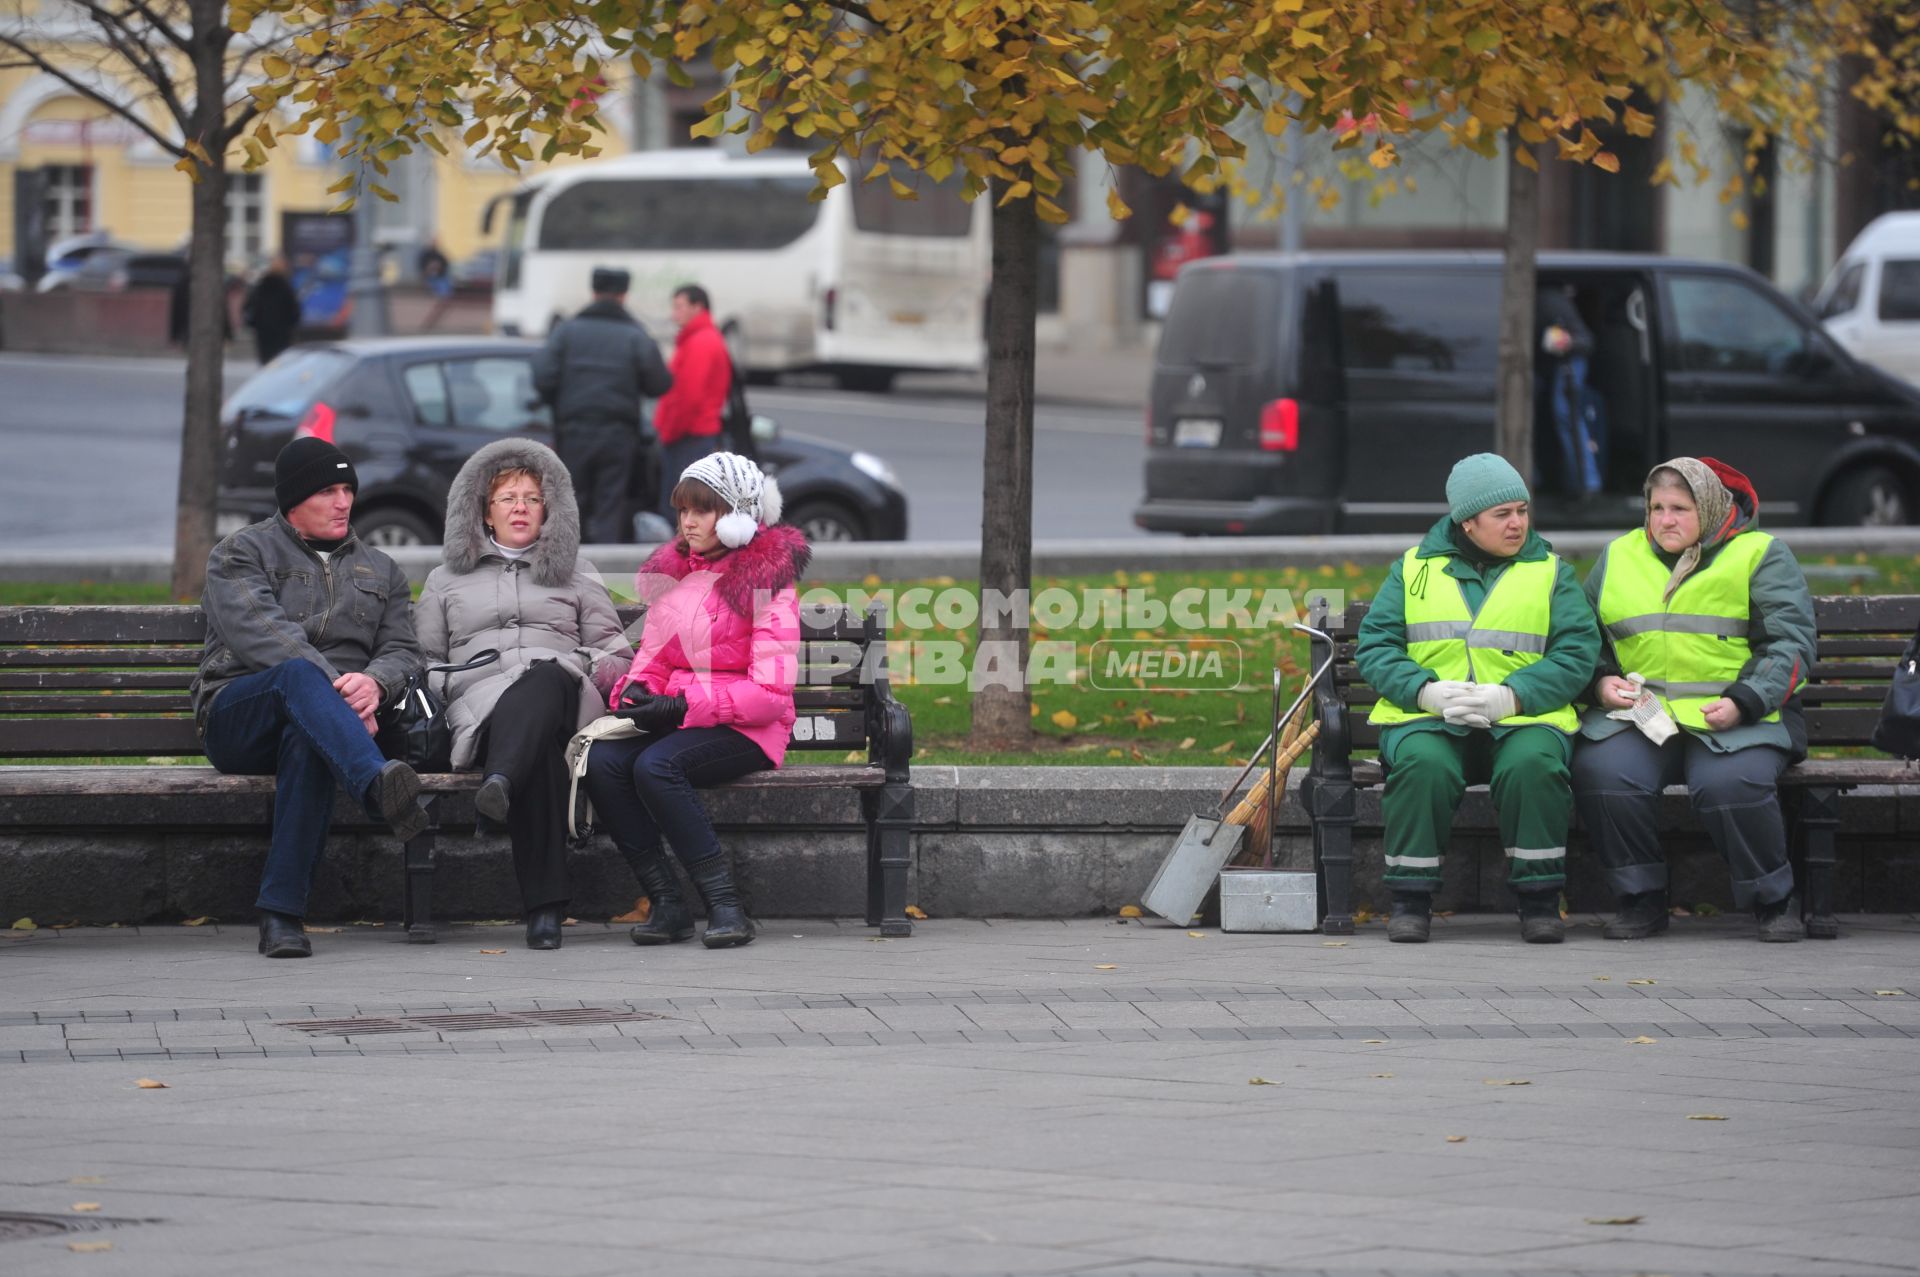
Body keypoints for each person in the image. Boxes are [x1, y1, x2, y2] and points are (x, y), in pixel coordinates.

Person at [193, 438, 428, 959]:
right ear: (293, 500)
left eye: (348, 489)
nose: (343, 501)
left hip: (329, 728)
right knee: (297, 674)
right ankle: (375, 786)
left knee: (309, 739)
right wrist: (341, 699)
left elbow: (403, 650)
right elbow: (263, 634)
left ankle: (281, 918)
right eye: (328, 490)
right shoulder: (241, 552)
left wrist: (376, 684)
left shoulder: (381, 569)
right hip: (238, 714)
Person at [1354, 453, 1601, 944]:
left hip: (1524, 721)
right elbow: (1377, 647)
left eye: (1522, 511)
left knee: (1534, 766)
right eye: (1502, 514)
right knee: (1424, 766)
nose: (1517, 524)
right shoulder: (1412, 570)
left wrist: (1512, 698)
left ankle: (1539, 901)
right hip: (1429, 721)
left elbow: (1577, 653)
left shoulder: (1552, 573)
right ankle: (1410, 900)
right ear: (1467, 522)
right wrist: (1425, 691)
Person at [1572, 457, 1817, 942]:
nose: (1665, 520)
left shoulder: (1759, 554)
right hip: (1641, 717)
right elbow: (1581, 639)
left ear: (1708, 508)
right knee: (1602, 772)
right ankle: (1640, 898)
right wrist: (1599, 683)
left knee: (1729, 784)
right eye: (1656, 507)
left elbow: (1791, 643)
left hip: (1739, 714)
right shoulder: (1619, 556)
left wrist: (1745, 701)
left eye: (1680, 509)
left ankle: (1774, 900)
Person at [413, 439, 634, 950]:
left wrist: (575, 665)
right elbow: (422, 663)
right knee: (535, 757)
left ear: (550, 510)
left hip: (563, 700)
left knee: (546, 677)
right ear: (484, 512)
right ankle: (545, 913)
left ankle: (499, 782)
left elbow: (617, 657)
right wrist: (455, 682)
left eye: (532, 498)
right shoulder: (446, 581)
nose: (520, 507)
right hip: (482, 712)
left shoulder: (578, 575)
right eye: (507, 497)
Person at [583, 452, 809, 950]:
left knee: (656, 768)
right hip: (685, 719)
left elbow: (770, 695)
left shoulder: (768, 585)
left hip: (748, 728)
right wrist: (633, 692)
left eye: (702, 510)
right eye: (683, 509)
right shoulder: (679, 575)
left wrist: (682, 707)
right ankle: (666, 903)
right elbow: (654, 658)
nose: (688, 522)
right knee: (602, 762)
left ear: (736, 516)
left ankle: (726, 906)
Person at [532, 266, 673, 545]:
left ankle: (565, 573)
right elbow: (659, 383)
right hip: (618, 435)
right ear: (623, 295)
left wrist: (558, 401)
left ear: (594, 292)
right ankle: (605, 580)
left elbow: (542, 377)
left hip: (573, 431)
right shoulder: (635, 335)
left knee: (570, 503)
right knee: (611, 505)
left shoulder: (567, 332)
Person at [652, 284, 732, 514]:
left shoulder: (700, 342)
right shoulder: (700, 339)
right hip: (692, 436)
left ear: (697, 307)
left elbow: (688, 397)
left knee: (681, 510)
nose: (673, 314)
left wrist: (668, 432)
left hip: (689, 438)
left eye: (679, 307)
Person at [1535, 284, 1600, 497]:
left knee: (1567, 416)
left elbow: (1580, 341)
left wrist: (1567, 342)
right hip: (1554, 366)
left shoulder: (1548, 302)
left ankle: (1585, 482)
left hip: (1565, 364)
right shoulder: (1548, 300)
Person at [242, 256, 303, 366]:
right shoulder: (286, 288)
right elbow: (295, 311)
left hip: (263, 332)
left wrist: (254, 324)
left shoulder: (261, 286)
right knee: (281, 362)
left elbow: (248, 307)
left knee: (266, 363)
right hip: (282, 333)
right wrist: (291, 325)